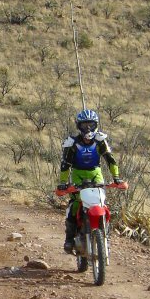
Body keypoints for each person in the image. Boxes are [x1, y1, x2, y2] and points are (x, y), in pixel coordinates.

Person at [58, 108, 122, 253]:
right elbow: (65, 165)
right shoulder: (72, 143)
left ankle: (105, 234)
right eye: (84, 125)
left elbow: (110, 160)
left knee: (101, 202)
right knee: (75, 204)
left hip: (95, 173)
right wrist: (63, 183)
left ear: (96, 124)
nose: (88, 128)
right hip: (77, 174)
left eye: (91, 124)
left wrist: (116, 177)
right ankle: (69, 238)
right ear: (78, 126)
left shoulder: (100, 141)